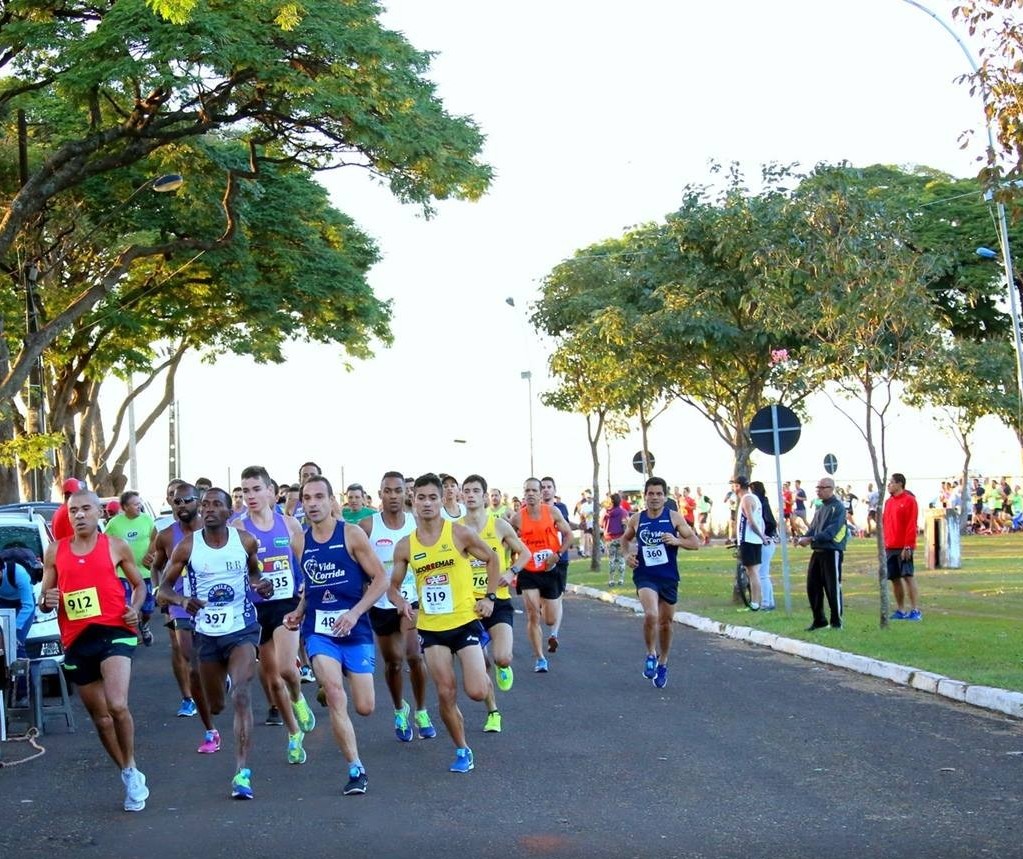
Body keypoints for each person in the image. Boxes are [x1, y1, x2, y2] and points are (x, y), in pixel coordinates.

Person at [158, 487, 273, 800]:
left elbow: (253, 574)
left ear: (228, 512)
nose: (208, 509)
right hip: (206, 634)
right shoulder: (187, 547)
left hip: (242, 629)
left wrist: (260, 585)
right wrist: (182, 598)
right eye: (204, 504)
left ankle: (241, 773)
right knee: (217, 705)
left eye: (215, 505)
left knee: (241, 695)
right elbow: (162, 590)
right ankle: (218, 691)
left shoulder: (245, 542)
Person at [38, 488, 149, 812]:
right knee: (100, 719)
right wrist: (48, 600)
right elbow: (45, 599)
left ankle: (130, 764)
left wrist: (135, 607)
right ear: (67, 516)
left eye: (86, 509)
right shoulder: (55, 552)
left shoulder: (115, 546)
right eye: (74, 511)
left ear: (100, 513)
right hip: (77, 638)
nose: (80, 515)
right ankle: (128, 772)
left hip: (115, 630)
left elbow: (139, 584)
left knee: (116, 705)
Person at [284, 475, 389, 795]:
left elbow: (382, 579)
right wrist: (300, 611)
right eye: (306, 498)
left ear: (332, 501)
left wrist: (355, 612)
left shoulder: (352, 535)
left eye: (319, 497)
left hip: (355, 629)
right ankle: (356, 768)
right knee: (334, 694)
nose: (312, 504)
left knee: (366, 707)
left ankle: (338, 674)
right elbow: (311, 586)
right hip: (319, 632)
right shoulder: (300, 541)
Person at [389, 473, 500, 773]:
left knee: (476, 691)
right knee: (446, 692)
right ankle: (462, 749)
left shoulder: (459, 533)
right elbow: (392, 585)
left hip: (464, 622)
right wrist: (401, 603)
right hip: (431, 628)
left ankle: (486, 676)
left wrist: (489, 597)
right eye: (421, 497)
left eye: (432, 497)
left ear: (442, 500)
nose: (426, 503)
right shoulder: (405, 546)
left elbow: (492, 558)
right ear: (414, 501)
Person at [235, 465, 315, 754]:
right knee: (271, 677)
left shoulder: (289, 524)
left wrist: (307, 586)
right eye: (245, 491)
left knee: (286, 669)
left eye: (256, 489)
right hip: (256, 609)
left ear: (270, 491)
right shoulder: (238, 529)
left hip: (286, 604)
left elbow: (305, 561)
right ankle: (294, 734)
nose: (251, 496)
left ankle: (299, 699)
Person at [360, 471, 437, 743]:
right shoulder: (368, 526)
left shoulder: (415, 524)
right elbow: (357, 561)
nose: (393, 496)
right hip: (380, 603)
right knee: (393, 662)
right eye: (387, 491)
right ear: (380, 494)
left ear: (406, 493)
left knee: (415, 655)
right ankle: (398, 709)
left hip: (411, 599)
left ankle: (422, 710)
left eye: (398, 490)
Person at [150, 482, 221, 750]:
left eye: (187, 501)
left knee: (213, 656)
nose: (181, 506)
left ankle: (217, 678)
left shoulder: (214, 529)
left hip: (215, 602)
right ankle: (208, 728)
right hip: (181, 603)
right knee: (190, 659)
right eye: (176, 502)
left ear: (199, 502)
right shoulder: (167, 535)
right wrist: (159, 589)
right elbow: (156, 566)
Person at [460, 473, 530, 733]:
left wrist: (512, 572)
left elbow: (525, 553)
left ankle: (504, 666)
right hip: (468, 606)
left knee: (501, 657)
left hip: (498, 600)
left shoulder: (499, 525)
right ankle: (493, 712)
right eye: (465, 490)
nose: (470, 495)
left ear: (484, 495)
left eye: (475, 490)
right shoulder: (455, 529)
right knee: (481, 664)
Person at [620, 477, 700, 689]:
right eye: (650, 494)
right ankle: (650, 654)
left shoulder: (673, 518)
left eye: (658, 494)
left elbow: (695, 542)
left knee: (666, 623)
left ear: (665, 496)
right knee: (651, 614)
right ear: (644, 496)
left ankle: (663, 662)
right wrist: (627, 555)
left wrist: (677, 541)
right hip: (645, 575)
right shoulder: (637, 519)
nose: (654, 498)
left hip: (669, 577)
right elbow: (625, 540)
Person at [511, 477, 573, 672]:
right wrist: (513, 562)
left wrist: (557, 555)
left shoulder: (552, 512)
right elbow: (507, 541)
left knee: (550, 619)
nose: (530, 494)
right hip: (528, 571)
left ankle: (549, 630)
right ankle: (540, 658)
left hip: (549, 569)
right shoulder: (518, 518)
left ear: (540, 493)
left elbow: (569, 535)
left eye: (533, 491)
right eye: (526, 491)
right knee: (532, 615)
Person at [104, 490, 158, 646]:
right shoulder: (114, 523)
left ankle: (144, 624)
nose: (139, 506)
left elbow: (155, 537)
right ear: (125, 507)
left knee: (148, 608)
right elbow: (105, 543)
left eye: (139, 503)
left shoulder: (147, 520)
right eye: (135, 504)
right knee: (126, 606)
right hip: (122, 572)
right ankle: (129, 636)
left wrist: (151, 553)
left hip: (144, 571)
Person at [795, 477, 848, 631]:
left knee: (832, 587)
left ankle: (836, 622)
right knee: (813, 586)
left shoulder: (837, 508)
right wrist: (803, 538)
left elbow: (831, 531)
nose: (818, 490)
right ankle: (819, 620)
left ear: (831, 488)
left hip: (832, 551)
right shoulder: (820, 508)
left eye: (822, 487)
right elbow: (813, 528)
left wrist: (812, 538)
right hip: (817, 552)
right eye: (817, 487)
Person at [539, 475, 574, 652]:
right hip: (538, 562)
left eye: (548, 487)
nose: (545, 489)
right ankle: (543, 612)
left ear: (554, 490)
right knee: (542, 603)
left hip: (560, 559)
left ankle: (554, 635)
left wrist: (559, 553)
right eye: (542, 487)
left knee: (558, 597)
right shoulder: (530, 510)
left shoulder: (561, 508)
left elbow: (565, 531)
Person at [883, 473, 921, 621]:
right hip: (890, 546)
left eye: (891, 482)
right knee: (894, 579)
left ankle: (915, 610)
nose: (889, 485)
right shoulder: (888, 502)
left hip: (903, 546)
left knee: (908, 577)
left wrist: (908, 546)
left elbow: (911, 524)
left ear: (899, 484)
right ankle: (900, 609)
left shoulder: (910, 501)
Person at [733, 476, 764, 611]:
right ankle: (756, 602)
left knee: (752, 572)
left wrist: (762, 536)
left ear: (738, 486)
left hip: (749, 540)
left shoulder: (746, 499)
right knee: (754, 572)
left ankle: (755, 603)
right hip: (753, 540)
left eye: (734, 485)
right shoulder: (754, 498)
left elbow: (751, 521)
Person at [0, 544, 38, 656]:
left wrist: (14, 628)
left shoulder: (18, 572)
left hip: (23, 604)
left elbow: (28, 605)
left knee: (15, 642)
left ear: (2, 569)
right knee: (2, 643)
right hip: (3, 602)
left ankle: (22, 673)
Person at [748, 481, 778, 611]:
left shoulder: (761, 505)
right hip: (768, 541)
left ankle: (766, 602)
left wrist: (764, 534)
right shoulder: (763, 503)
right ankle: (769, 601)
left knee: (762, 573)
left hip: (766, 541)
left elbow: (770, 523)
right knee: (764, 573)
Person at [601, 493, 628, 587]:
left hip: (609, 539)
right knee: (621, 559)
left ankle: (611, 579)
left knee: (611, 559)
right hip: (620, 537)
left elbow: (601, 524)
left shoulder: (606, 513)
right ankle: (621, 579)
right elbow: (625, 525)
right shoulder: (623, 512)